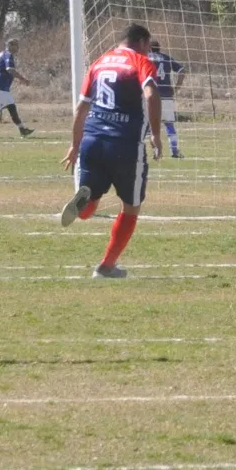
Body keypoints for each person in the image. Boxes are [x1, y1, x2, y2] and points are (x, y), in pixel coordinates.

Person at [60, 24, 163, 279]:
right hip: (125, 144)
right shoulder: (140, 61)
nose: (149, 51)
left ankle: (83, 205)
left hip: (92, 140)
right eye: (148, 46)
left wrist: (74, 145)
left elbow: (81, 108)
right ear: (141, 42)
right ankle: (106, 266)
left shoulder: (99, 63)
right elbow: (151, 95)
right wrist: (156, 134)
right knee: (131, 206)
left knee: (90, 205)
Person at [0, 38, 34, 139]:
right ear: (10, 45)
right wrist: (23, 79)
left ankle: (22, 130)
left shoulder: (0, 54)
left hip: (3, 87)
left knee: (12, 108)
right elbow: (10, 69)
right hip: (1, 87)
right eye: (16, 45)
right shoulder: (8, 55)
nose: (18, 48)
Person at [147, 39, 187, 159]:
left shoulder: (145, 58)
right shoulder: (166, 58)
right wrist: (176, 88)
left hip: (151, 96)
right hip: (166, 95)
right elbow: (182, 71)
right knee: (169, 124)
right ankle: (174, 151)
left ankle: (156, 151)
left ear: (148, 48)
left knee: (150, 125)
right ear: (159, 48)